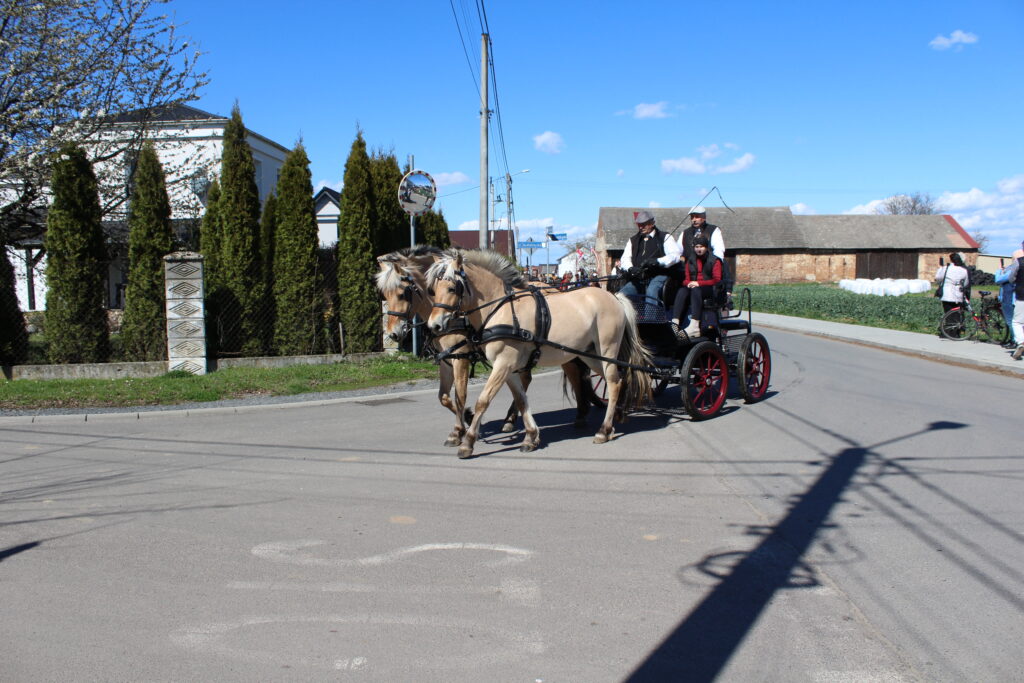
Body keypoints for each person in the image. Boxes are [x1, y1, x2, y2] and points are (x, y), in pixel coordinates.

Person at [619, 210, 682, 308]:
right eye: (639, 224)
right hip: (640, 277)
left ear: (652, 223)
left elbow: (675, 255)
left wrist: (657, 261)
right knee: (621, 295)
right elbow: (625, 258)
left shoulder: (665, 237)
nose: (641, 227)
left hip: (660, 274)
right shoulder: (633, 240)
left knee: (652, 291)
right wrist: (631, 268)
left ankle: (651, 317)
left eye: (644, 224)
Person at [679, 206, 732, 305]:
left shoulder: (713, 230)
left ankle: (726, 295)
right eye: (692, 217)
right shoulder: (685, 233)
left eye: (697, 216)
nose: (694, 219)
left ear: (704, 217)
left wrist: (712, 263)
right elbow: (677, 251)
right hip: (692, 269)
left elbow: (719, 250)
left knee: (723, 262)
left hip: (708, 268)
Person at [671, 235, 722, 338]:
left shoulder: (714, 260)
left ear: (706, 247)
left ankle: (694, 326)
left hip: (709, 288)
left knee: (696, 290)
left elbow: (717, 280)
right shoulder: (690, 260)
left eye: (701, 247)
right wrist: (688, 283)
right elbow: (686, 279)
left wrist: (698, 283)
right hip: (694, 287)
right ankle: (675, 324)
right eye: (696, 247)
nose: (699, 249)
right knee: (682, 290)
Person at [935, 252, 969, 337]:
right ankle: (956, 333)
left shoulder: (946, 268)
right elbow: (966, 283)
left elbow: (938, 278)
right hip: (958, 295)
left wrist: (940, 269)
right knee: (956, 314)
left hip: (947, 293)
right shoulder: (963, 270)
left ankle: (948, 332)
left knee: (948, 313)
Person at [994, 256, 1019, 349]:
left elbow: (998, 279)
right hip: (1016, 298)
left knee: (1011, 321)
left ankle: (1015, 341)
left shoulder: (1013, 270)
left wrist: (999, 270)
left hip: (1009, 299)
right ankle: (1012, 339)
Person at [1012, 241, 1024, 360]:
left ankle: (1021, 342)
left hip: (1022, 296)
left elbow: (1011, 277)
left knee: (1017, 322)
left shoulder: (1019, 261)